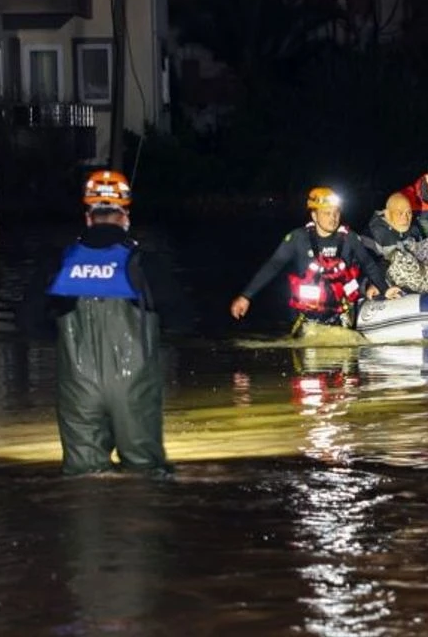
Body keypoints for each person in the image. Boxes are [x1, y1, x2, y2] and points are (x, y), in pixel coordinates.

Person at [23, 169, 192, 478]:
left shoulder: (58, 262)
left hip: (78, 387)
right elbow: (181, 319)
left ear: (88, 217)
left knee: (84, 476)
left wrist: (64, 341)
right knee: (146, 473)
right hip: (134, 388)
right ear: (124, 216)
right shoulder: (143, 263)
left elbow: (29, 322)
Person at [230, 187, 401, 335]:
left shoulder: (350, 238)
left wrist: (385, 289)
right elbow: (273, 266)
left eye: (336, 213)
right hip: (307, 315)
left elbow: (369, 264)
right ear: (314, 215)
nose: (333, 218)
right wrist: (246, 296)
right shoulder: (297, 238)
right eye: (327, 213)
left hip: (342, 314)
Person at [362, 192, 428, 293]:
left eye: (408, 213)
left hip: (417, 285)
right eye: (399, 213)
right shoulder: (373, 233)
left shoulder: (414, 228)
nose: (405, 218)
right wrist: (373, 284)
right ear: (387, 214)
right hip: (389, 287)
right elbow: (365, 264)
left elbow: (423, 256)